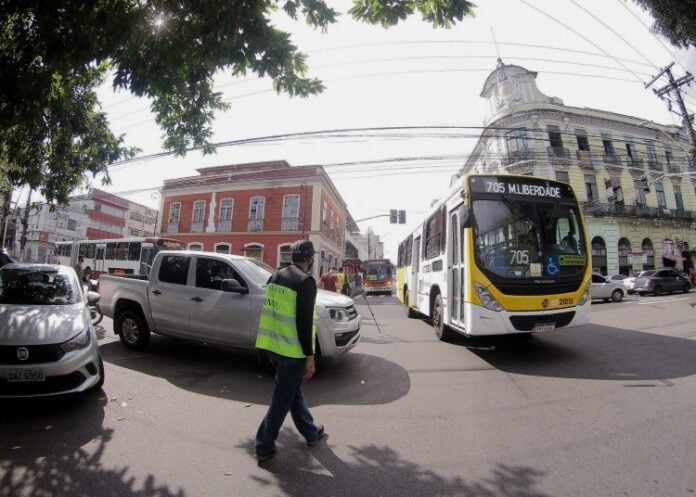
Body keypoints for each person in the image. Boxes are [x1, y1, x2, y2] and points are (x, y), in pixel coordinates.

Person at [254, 240, 326, 462]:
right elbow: (304, 323)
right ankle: (264, 445)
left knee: (293, 393)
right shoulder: (305, 282)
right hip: (292, 352)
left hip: (273, 347)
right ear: (310, 259)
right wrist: (310, 357)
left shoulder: (275, 276)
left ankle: (311, 431)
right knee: (281, 400)